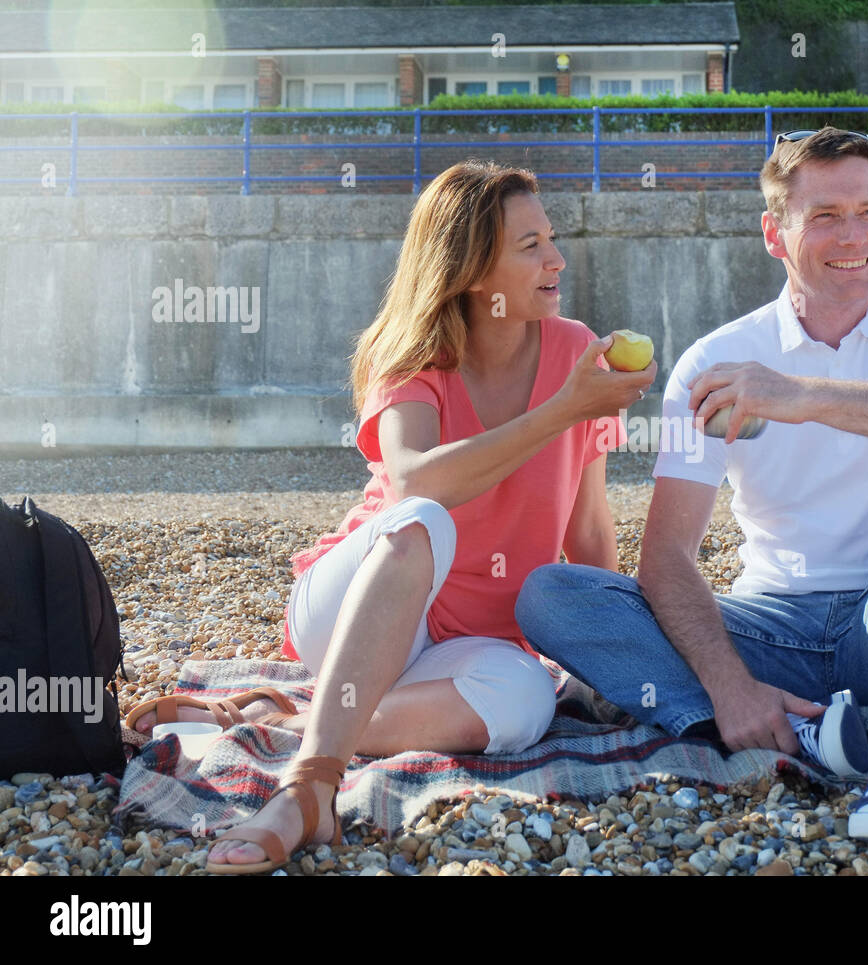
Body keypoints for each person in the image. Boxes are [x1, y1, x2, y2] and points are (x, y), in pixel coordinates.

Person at [126, 160, 655, 873]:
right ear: (469, 269)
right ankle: (310, 788)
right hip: (359, 601)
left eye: (551, 238)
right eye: (529, 245)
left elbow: (587, 530)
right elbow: (414, 479)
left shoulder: (572, 350)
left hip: (462, 645)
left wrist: (603, 661)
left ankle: (286, 718)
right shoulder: (416, 357)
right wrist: (563, 409)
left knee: (526, 700)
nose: (556, 258)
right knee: (426, 519)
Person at [516, 127, 868, 847]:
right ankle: (780, 727)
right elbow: (666, 556)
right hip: (769, 630)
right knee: (551, 594)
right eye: (824, 216)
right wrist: (730, 681)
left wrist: (804, 394)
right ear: (774, 233)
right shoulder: (715, 361)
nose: (853, 235)